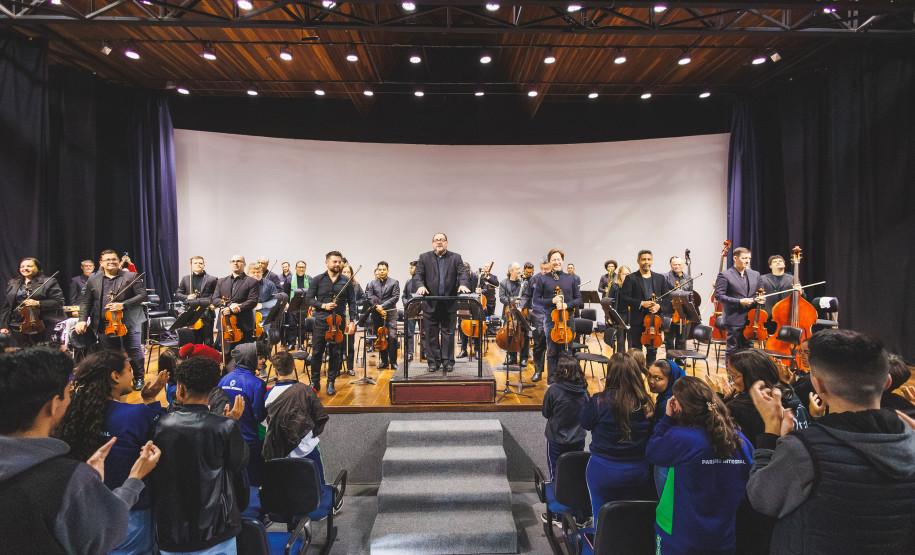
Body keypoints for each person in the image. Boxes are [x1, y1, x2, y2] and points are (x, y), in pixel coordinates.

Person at [746, 329, 915, 553]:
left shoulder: (804, 448)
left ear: (818, 385)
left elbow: (761, 499)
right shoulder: (910, 436)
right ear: (887, 382)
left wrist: (771, 434)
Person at [0, 347, 160, 554]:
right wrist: (134, 479)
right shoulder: (68, 479)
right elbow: (106, 530)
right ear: (53, 405)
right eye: (67, 393)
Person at [53, 350, 169, 554]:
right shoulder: (137, 415)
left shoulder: (73, 414)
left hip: (85, 509)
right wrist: (150, 401)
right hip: (132, 510)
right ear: (115, 376)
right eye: (129, 370)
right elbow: (163, 431)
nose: (133, 375)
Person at [153, 356, 249, 555]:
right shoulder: (225, 426)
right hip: (216, 529)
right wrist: (232, 424)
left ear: (180, 388)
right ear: (213, 390)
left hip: (172, 530)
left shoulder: (159, 426)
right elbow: (239, 463)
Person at [646, 376, 754, 554]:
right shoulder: (739, 439)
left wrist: (667, 419)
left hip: (679, 536)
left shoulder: (681, 438)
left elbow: (652, 452)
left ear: (679, 405)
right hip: (723, 538)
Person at [579, 353, 656, 522]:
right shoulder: (647, 403)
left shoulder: (599, 401)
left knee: (602, 519)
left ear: (610, 375)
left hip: (603, 469)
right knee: (632, 521)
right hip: (638, 470)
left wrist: (600, 395)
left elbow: (585, 422)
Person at [75, 249, 148, 390]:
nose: (111, 262)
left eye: (114, 259)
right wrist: (82, 319)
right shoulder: (93, 279)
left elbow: (142, 296)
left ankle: (139, 378)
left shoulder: (131, 276)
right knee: (111, 353)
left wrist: (123, 305)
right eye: (107, 260)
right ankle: (117, 378)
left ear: (118, 261)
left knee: (133, 349)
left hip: (129, 321)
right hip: (104, 323)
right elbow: (86, 302)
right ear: (101, 263)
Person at [707, 349, 809, 446]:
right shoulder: (788, 390)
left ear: (753, 376)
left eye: (734, 375)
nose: (732, 381)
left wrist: (716, 398)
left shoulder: (740, 407)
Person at [263, 351, 329, 484]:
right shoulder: (306, 391)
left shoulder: (268, 395)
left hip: (282, 453)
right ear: (293, 366)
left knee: (289, 492)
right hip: (308, 450)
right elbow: (319, 418)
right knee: (318, 490)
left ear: (275, 369)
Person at [541, 353, 590, 526]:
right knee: (575, 473)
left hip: (556, 441)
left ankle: (560, 515)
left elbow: (546, 412)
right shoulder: (585, 391)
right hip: (578, 439)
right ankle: (578, 513)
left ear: (560, 371)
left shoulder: (554, 389)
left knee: (557, 474)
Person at [413, 233, 471, 373]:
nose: (439, 242)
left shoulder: (455, 257)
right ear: (433, 243)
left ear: (446, 243)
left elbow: (462, 273)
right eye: (436, 240)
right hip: (430, 303)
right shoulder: (424, 257)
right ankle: (433, 362)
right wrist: (420, 285)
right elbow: (418, 275)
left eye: (442, 240)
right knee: (431, 335)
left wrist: (463, 284)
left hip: (449, 303)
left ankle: (447, 362)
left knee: (448, 334)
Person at [306, 251, 357, 394]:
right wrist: (323, 306)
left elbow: (352, 302)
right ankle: (315, 382)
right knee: (317, 353)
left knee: (335, 354)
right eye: (334, 262)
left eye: (339, 262)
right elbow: (309, 299)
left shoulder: (346, 281)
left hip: (339, 322)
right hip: (321, 322)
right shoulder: (317, 280)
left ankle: (331, 382)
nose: (337, 264)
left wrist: (352, 321)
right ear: (326, 263)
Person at [219, 342, 267, 486]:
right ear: (250, 359)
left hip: (227, 438)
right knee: (254, 479)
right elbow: (259, 415)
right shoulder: (257, 384)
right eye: (259, 358)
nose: (263, 361)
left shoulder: (223, 379)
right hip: (250, 440)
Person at [531, 249, 582, 384]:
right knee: (552, 352)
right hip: (551, 320)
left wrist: (566, 305)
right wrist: (551, 301)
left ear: (562, 260)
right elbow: (535, 301)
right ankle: (552, 383)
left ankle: (567, 381)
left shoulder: (571, 278)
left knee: (567, 352)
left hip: (567, 320)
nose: (556, 262)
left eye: (558, 259)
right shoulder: (543, 279)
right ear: (550, 262)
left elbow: (579, 300)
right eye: (553, 259)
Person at [620, 250, 671, 365]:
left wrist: (659, 306)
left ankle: (650, 374)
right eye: (643, 259)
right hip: (637, 320)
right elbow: (624, 297)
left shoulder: (660, 278)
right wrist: (641, 303)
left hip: (654, 321)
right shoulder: (631, 278)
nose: (646, 262)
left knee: (652, 352)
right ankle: (636, 375)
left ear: (652, 261)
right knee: (636, 351)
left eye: (649, 259)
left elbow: (667, 300)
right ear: (638, 261)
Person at [1, 257, 65, 347]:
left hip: (39, 326)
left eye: (29, 266)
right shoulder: (13, 283)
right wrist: (3, 325)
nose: (25, 268)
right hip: (15, 326)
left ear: (38, 268)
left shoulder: (49, 282)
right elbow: (7, 307)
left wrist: (38, 303)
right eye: (22, 266)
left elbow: (59, 302)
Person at [714, 247, 765, 357]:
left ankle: (745, 374)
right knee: (733, 350)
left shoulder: (755, 274)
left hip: (752, 321)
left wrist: (762, 299)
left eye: (749, 258)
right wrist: (739, 301)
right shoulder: (725, 275)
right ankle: (731, 374)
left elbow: (761, 293)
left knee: (749, 351)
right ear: (735, 258)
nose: (747, 261)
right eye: (744, 258)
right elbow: (719, 296)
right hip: (734, 319)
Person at [646, 358, 686, 497]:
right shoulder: (676, 393)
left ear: (671, 379)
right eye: (649, 375)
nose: (651, 381)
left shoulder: (668, 404)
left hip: (668, 458)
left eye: (658, 378)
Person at [209, 255, 260, 360]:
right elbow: (215, 299)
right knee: (226, 355)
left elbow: (252, 301)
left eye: (239, 261)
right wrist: (229, 305)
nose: (235, 263)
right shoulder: (221, 281)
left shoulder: (252, 282)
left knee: (244, 356)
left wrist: (238, 307)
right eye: (233, 261)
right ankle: (228, 375)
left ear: (244, 264)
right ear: (230, 263)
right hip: (225, 324)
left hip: (244, 324)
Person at [174, 255, 218, 346]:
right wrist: (187, 297)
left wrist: (213, 304)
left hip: (207, 314)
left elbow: (216, 295)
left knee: (208, 340)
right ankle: (195, 360)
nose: (198, 264)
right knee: (193, 340)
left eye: (200, 263)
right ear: (191, 265)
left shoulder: (212, 279)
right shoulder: (186, 278)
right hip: (191, 314)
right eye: (195, 263)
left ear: (204, 265)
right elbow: (178, 294)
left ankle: (208, 360)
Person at [366, 261, 400, 370]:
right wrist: (378, 308)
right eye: (380, 269)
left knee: (392, 337)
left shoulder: (394, 282)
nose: (382, 271)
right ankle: (384, 361)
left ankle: (393, 362)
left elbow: (395, 297)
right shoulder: (371, 283)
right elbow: (370, 297)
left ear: (387, 270)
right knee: (380, 337)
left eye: (384, 269)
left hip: (391, 314)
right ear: (377, 270)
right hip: (377, 314)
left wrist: (382, 306)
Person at [522, 258, 552, 378]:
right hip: (537, 315)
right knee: (538, 344)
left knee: (553, 346)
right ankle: (538, 371)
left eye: (547, 269)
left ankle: (554, 374)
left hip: (552, 315)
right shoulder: (534, 279)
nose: (544, 271)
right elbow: (526, 295)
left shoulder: (556, 279)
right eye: (542, 268)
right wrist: (520, 307)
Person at [499, 261, 530, 366]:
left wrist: (521, 305)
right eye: (517, 268)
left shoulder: (524, 283)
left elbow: (526, 296)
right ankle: (512, 357)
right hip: (508, 313)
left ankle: (523, 358)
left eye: (519, 268)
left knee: (524, 334)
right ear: (510, 270)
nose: (519, 270)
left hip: (522, 312)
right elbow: (502, 298)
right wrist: (513, 300)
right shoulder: (503, 283)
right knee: (510, 334)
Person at [664, 256, 693, 362]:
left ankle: (680, 358)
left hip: (683, 312)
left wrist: (691, 310)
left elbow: (691, 295)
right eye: (674, 264)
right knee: (669, 338)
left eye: (679, 264)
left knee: (682, 338)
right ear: (671, 265)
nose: (677, 266)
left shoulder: (688, 278)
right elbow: (663, 294)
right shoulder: (665, 277)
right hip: (669, 312)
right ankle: (669, 360)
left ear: (683, 265)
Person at [285, 260, 311, 350]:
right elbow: (285, 293)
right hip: (292, 305)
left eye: (303, 267)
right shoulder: (289, 279)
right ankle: (292, 344)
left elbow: (311, 293)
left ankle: (301, 344)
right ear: (295, 268)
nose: (301, 269)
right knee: (292, 325)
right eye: (299, 267)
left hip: (304, 305)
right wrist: (287, 303)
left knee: (302, 326)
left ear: (305, 268)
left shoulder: (309, 278)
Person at [402, 260, 422, 362]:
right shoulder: (408, 282)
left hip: (422, 311)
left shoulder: (424, 282)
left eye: (412, 267)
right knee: (409, 333)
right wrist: (407, 303)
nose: (410, 269)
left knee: (424, 333)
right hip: (410, 311)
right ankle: (410, 353)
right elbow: (404, 296)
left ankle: (425, 352)